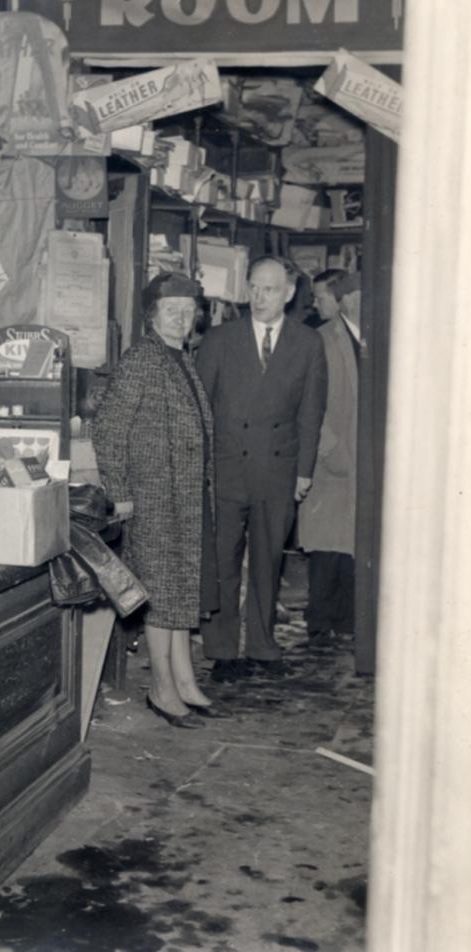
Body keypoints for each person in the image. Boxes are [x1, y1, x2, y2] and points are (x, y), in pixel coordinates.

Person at [93, 272, 219, 728]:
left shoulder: (180, 357)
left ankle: (184, 680)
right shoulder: (143, 359)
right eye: (173, 310)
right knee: (164, 595)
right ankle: (162, 688)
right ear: (153, 314)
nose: (182, 318)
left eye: (189, 310)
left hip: (183, 495)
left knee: (181, 589)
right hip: (152, 496)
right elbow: (107, 429)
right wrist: (120, 493)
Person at [196, 256, 327, 678]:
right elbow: (200, 411)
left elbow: (311, 414)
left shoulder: (308, 344)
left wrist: (304, 471)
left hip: (279, 469)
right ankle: (222, 650)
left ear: (288, 294)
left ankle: (263, 646)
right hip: (228, 467)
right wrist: (203, 469)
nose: (258, 297)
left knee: (269, 561)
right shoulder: (220, 340)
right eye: (253, 287)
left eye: (268, 289)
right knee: (223, 560)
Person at [298, 270, 362, 648]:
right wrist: (330, 449)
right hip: (333, 457)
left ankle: (348, 621)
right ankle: (320, 624)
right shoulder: (320, 340)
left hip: (362, 458)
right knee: (327, 546)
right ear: (351, 299)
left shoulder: (375, 338)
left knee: (354, 544)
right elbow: (308, 405)